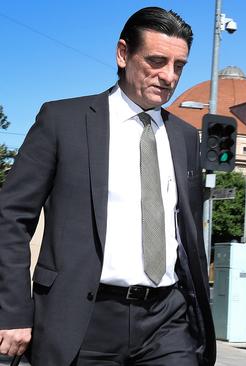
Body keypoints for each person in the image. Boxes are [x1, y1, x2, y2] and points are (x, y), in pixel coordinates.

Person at [0, 7, 215, 366]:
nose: (169, 76)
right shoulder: (63, 121)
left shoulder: (184, 136)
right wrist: (13, 310)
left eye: (179, 65)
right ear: (122, 53)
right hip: (84, 319)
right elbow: (10, 217)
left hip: (168, 321)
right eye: (157, 61)